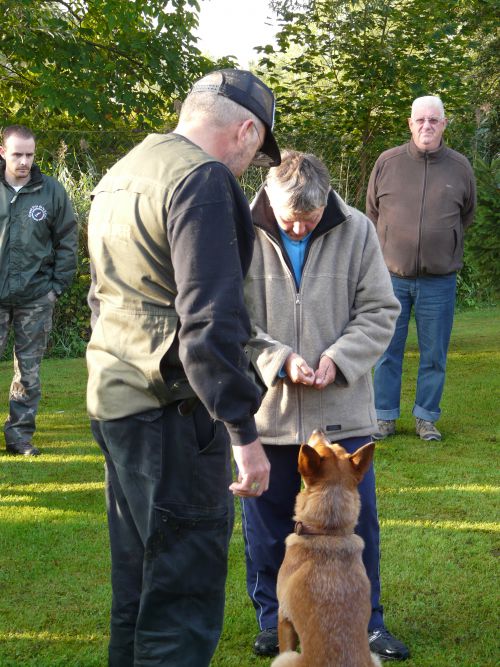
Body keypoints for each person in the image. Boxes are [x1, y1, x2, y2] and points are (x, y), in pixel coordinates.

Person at [86, 69, 281, 667]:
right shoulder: (203, 179)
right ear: (247, 130)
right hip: (171, 411)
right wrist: (244, 435)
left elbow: (101, 295)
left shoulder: (129, 169)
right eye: (258, 149)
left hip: (115, 396)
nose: (253, 163)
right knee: (183, 599)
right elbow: (211, 322)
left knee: (139, 585)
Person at [242, 150, 410, 662]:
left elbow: (381, 310)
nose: (297, 229)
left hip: (343, 413)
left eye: (308, 221)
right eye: (289, 219)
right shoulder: (238, 231)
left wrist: (338, 359)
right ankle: (276, 621)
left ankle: (369, 622)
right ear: (269, 200)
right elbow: (226, 318)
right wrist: (277, 359)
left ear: (327, 205)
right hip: (268, 413)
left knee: (357, 530)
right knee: (268, 529)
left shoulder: (359, 229)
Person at [366, 96, 476, 442]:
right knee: (386, 352)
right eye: (420, 120)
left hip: (439, 281)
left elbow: (466, 214)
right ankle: (384, 417)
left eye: (433, 120)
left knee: (434, 354)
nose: (426, 126)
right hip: (391, 279)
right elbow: (371, 212)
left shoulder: (460, 167)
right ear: (410, 123)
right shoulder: (387, 162)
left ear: (444, 124)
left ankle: (426, 418)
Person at [0, 125, 77, 456]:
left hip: (35, 298)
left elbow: (68, 241)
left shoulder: (51, 192)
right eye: (17, 154)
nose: (24, 161)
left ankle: (19, 438)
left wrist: (56, 288)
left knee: (28, 374)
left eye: (30, 154)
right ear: (3, 151)